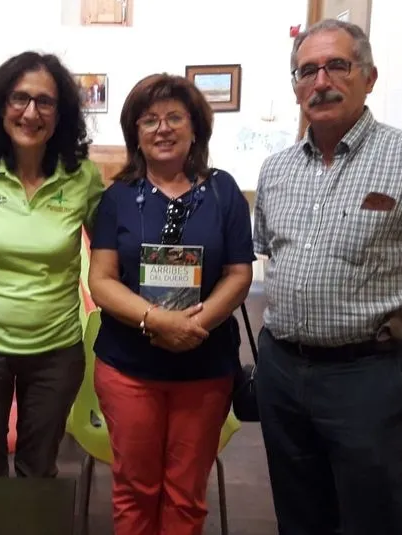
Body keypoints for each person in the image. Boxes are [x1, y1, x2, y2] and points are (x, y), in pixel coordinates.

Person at [252, 19, 402, 535]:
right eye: (306, 71)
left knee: (370, 517)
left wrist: (401, 329)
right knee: (298, 514)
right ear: (295, 87)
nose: (321, 81)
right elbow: (272, 257)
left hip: (367, 377)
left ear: (369, 77)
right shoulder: (276, 170)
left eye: (337, 65)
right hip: (282, 371)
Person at [88, 73, 255, 535]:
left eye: (174, 117)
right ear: (135, 135)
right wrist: (157, 320)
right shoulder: (118, 198)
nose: (162, 128)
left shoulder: (224, 193)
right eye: (149, 120)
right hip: (129, 369)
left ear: (195, 128)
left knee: (186, 495)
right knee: (134, 489)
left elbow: (240, 273)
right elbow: (100, 280)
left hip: (205, 368)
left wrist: (195, 324)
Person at [0, 51, 104, 478]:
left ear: (61, 114)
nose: (30, 112)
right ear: (0, 106)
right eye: (19, 99)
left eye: (45, 102)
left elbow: (115, 250)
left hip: (56, 350)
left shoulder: (82, 177)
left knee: (38, 469)